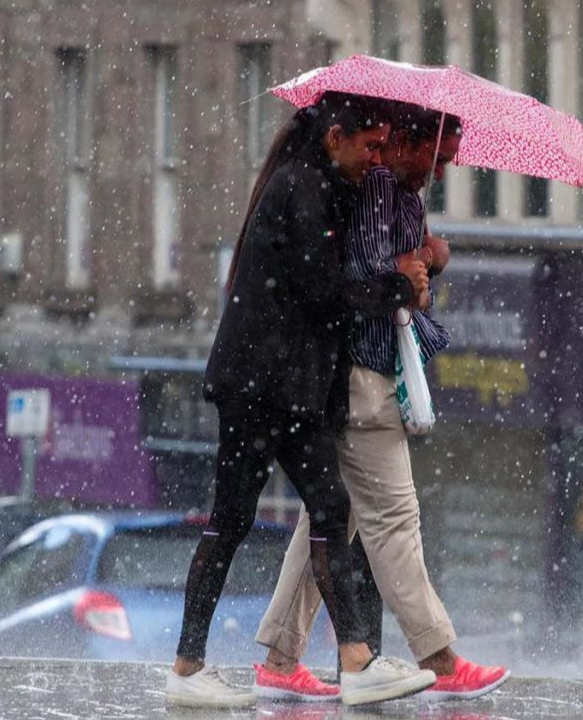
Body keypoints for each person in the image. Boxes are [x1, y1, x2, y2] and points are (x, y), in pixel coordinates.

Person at [165, 93, 437, 708]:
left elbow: (329, 277)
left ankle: (351, 658)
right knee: (241, 519)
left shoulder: (318, 185)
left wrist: (414, 251)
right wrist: (397, 285)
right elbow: (322, 291)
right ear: (336, 135)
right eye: (370, 145)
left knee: (314, 511)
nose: (376, 157)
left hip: (278, 387)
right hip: (265, 388)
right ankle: (191, 669)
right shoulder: (301, 187)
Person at [252, 103, 510, 703]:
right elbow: (363, 277)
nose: (439, 172)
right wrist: (407, 272)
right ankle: (439, 657)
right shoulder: (376, 188)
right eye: (436, 158)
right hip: (362, 375)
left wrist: (427, 258)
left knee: (329, 520)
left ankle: (281, 657)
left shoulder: (394, 191)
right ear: (406, 142)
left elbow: (397, 270)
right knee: (394, 520)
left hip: (361, 372)